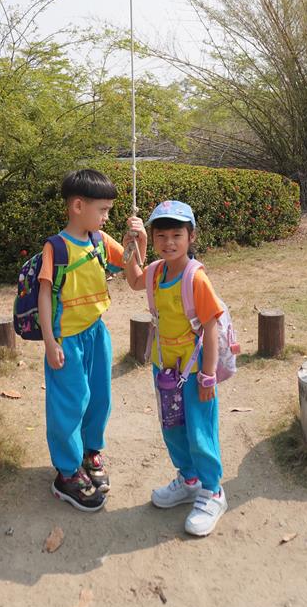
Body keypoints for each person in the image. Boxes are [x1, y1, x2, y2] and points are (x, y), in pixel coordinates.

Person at [38, 168, 145, 512]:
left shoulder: (101, 241)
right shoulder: (56, 247)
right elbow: (44, 296)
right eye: (103, 210)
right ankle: (67, 472)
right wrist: (50, 342)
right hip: (66, 339)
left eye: (109, 210)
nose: (106, 216)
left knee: (99, 396)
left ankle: (89, 452)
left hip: (97, 333)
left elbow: (134, 276)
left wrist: (139, 243)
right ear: (78, 206)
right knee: (69, 402)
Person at [126, 200, 227, 537]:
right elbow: (134, 280)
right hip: (166, 369)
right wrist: (133, 246)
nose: (168, 242)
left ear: (191, 236)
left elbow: (210, 325)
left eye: (176, 235)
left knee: (200, 431)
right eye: (161, 235)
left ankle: (213, 491)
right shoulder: (157, 271)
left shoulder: (195, 278)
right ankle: (189, 480)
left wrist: (208, 375)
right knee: (173, 428)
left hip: (195, 371)